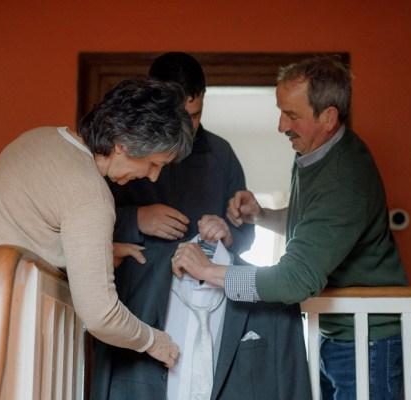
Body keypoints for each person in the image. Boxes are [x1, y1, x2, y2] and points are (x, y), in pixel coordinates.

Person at [0, 77, 193, 399]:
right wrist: (153, 340)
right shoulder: (91, 195)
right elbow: (101, 315)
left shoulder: (38, 139)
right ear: (124, 145)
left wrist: (98, 250)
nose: (153, 175)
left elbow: (22, 222)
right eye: (154, 163)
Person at [172, 56, 409, 399]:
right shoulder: (317, 152)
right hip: (336, 333)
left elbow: (295, 279)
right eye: (281, 111)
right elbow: (314, 223)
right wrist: (262, 216)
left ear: (329, 117)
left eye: (292, 115)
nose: (281, 125)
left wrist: (209, 271)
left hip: (367, 340)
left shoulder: (344, 179)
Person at [89, 52, 312, 399]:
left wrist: (228, 232)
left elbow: (243, 237)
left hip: (212, 301)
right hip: (138, 295)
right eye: (180, 116)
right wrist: (137, 219)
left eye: (195, 115)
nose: (188, 127)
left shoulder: (222, 155)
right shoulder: (122, 149)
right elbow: (87, 226)